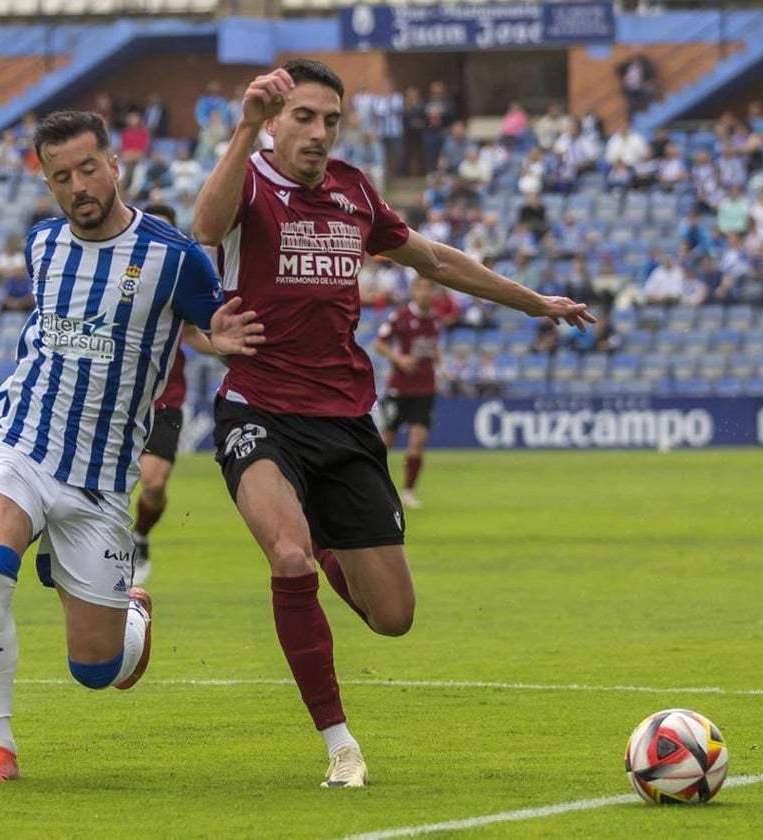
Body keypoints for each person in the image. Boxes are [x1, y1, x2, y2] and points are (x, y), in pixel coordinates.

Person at [191, 59, 593, 788]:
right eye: (304, 117)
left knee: (394, 617)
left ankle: (326, 545)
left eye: (330, 120)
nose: (317, 133)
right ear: (276, 123)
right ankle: (340, 744)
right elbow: (205, 226)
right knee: (287, 557)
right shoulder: (249, 179)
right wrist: (242, 125)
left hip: (345, 421)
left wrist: (534, 301)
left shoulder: (353, 191)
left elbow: (432, 259)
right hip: (260, 409)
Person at [0, 110, 263, 785]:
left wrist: (224, 337)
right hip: (21, 442)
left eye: (88, 168)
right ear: (47, 183)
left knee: (98, 671)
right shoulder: (42, 245)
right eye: (60, 176)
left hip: (100, 480)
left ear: (115, 165)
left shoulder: (170, 254)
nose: (78, 186)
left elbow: (211, 320)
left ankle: (130, 613)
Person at [129, 202, 218, 587]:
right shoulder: (122, 276)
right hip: (121, 398)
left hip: (166, 399)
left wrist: (238, 352)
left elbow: (195, 336)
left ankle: (139, 535)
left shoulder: (179, 278)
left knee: (153, 484)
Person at [372, 275, 440, 510]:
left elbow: (432, 346)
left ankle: (408, 491)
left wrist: (438, 359)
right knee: (385, 441)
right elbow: (379, 344)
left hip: (425, 387)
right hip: (399, 387)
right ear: (413, 291)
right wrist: (399, 359)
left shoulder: (433, 319)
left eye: (428, 288)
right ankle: (371, 486)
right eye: (420, 288)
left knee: (418, 441)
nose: (424, 293)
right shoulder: (400, 316)